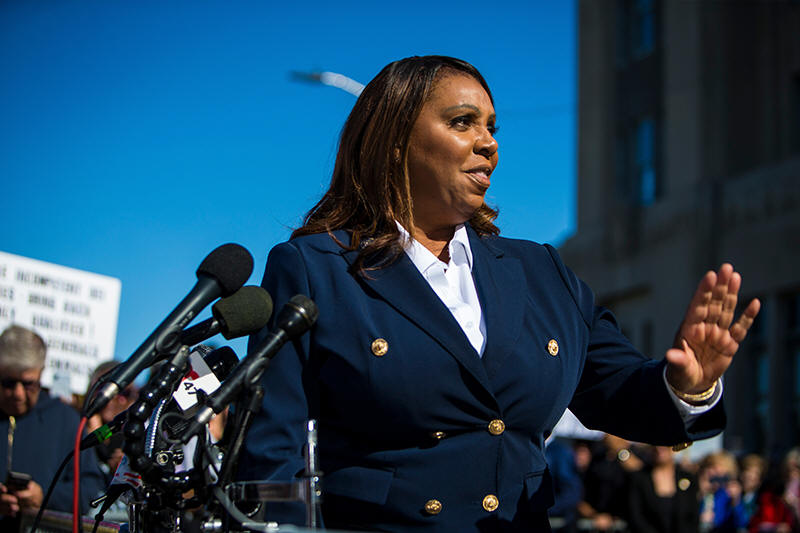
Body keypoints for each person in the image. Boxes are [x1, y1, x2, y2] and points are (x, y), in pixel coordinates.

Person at [238, 55, 761, 532]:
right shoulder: (316, 269)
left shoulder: (541, 270)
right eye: (462, 122)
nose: (488, 142)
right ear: (395, 142)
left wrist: (685, 386)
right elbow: (270, 459)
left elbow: (616, 390)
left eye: (491, 127)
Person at [0, 325, 105, 528]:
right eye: (8, 383)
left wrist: (45, 496)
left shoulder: (66, 420)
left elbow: (89, 488)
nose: (18, 394)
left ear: (41, 374)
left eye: (28, 384)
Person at [627, 445, 699, 533]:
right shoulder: (639, 479)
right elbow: (635, 517)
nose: (659, 448)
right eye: (655, 445)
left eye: (665, 445)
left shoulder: (687, 478)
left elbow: (693, 516)